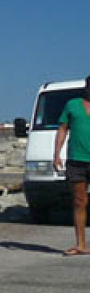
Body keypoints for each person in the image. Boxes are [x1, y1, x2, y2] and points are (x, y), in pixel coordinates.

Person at [53, 75, 90, 256]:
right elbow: (62, 129)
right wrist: (56, 154)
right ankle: (81, 244)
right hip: (77, 160)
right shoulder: (72, 105)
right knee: (79, 201)